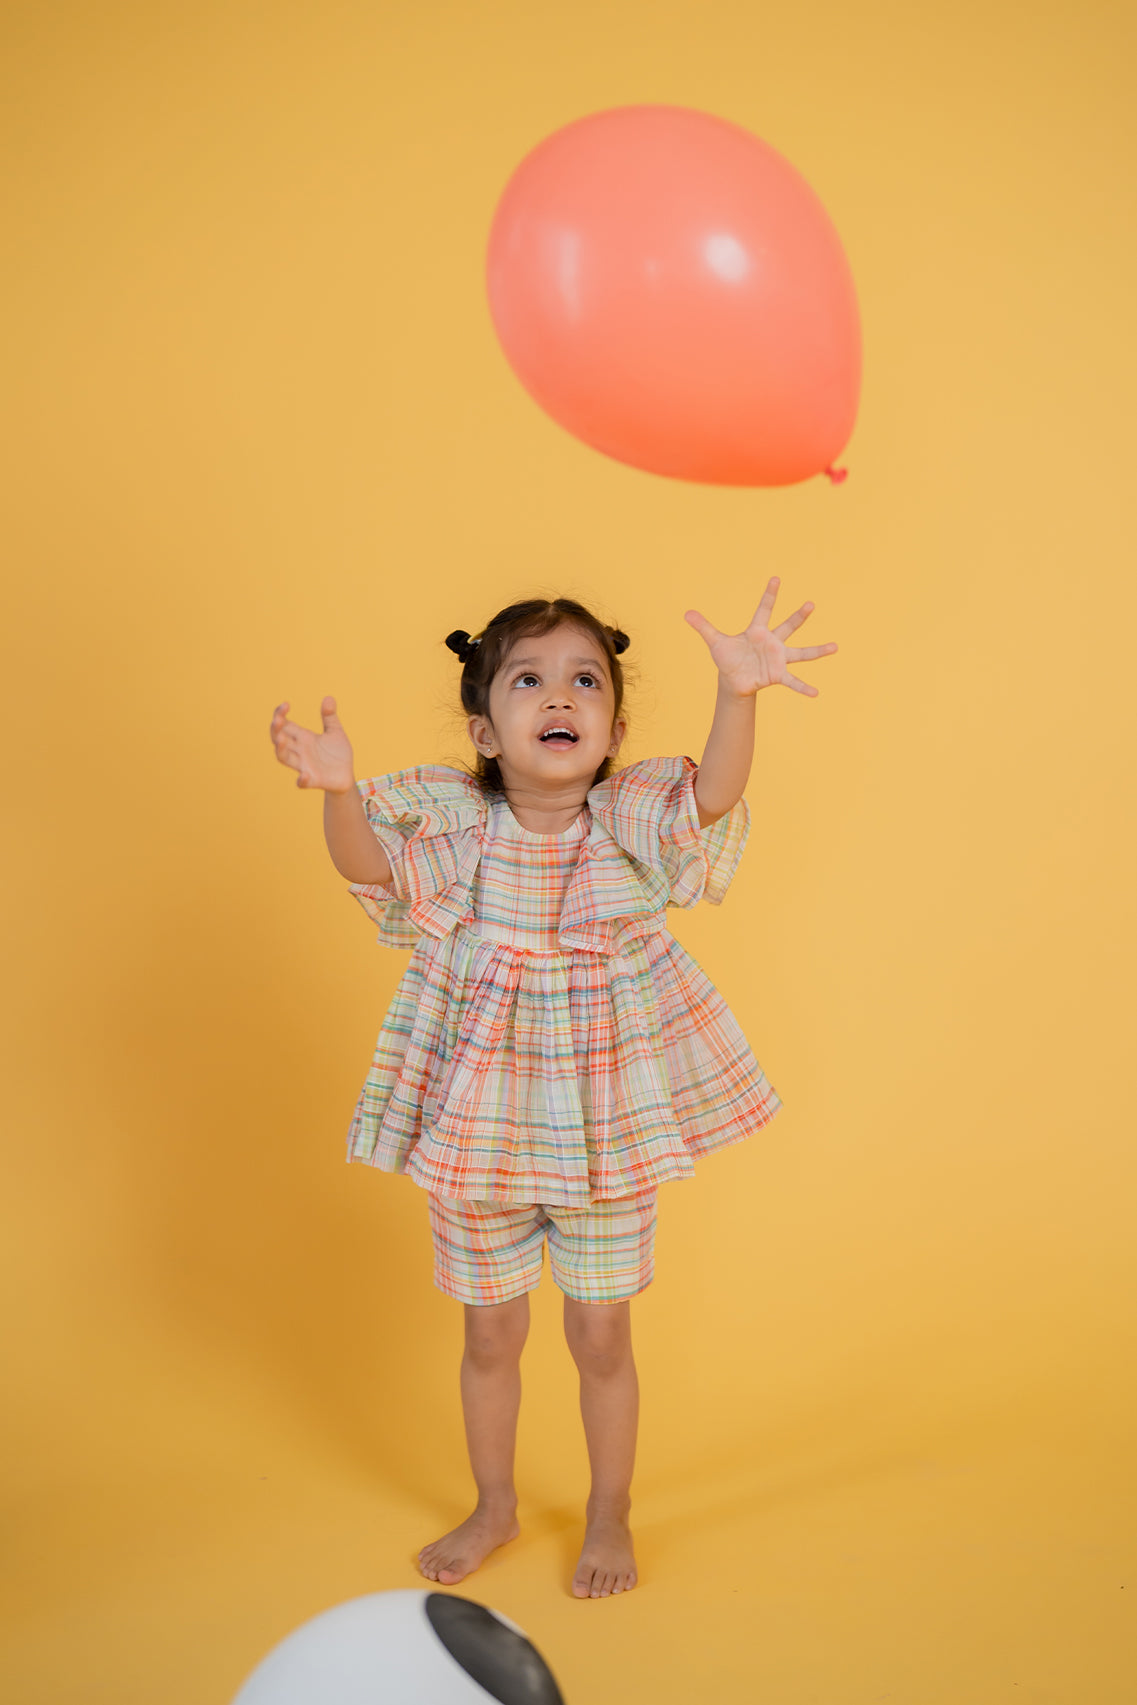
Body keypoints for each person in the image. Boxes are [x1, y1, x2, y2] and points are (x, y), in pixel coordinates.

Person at [268, 582, 837, 1600]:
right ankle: (495, 1503)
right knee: (489, 1331)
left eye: (584, 680)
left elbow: (710, 797)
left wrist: (738, 694)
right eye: (528, 681)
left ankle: (610, 1508)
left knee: (601, 1331)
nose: (559, 696)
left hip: (603, 1134)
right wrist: (338, 793)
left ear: (613, 724)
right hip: (478, 1132)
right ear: (486, 729)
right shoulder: (458, 827)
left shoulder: (625, 823)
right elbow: (375, 873)